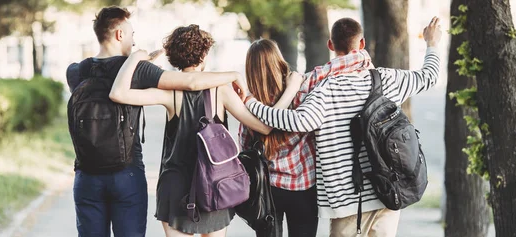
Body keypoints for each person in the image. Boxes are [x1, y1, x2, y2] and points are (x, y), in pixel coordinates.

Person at [244, 17, 442, 237]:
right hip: (388, 192)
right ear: (362, 43)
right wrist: (431, 43)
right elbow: (429, 76)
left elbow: (297, 122)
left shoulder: (323, 88)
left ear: (330, 45)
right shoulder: (388, 79)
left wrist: (253, 105)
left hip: (346, 201)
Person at [67, 7, 248, 237]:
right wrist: (233, 75)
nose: (134, 41)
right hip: (126, 174)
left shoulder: (75, 71)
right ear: (120, 35)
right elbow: (191, 81)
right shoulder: (140, 70)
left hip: (87, 175)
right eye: (132, 34)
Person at [109, 24, 298, 237]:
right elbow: (264, 127)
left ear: (174, 56)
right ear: (205, 53)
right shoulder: (221, 90)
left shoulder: (170, 93)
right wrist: (291, 90)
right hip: (215, 186)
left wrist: (135, 58)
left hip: (176, 188)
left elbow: (118, 93)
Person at [239, 39, 373, 237]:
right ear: (279, 61)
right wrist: (361, 54)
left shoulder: (250, 106)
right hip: (304, 187)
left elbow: (245, 148)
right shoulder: (302, 91)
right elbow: (332, 68)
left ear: (250, 70)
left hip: (267, 191)